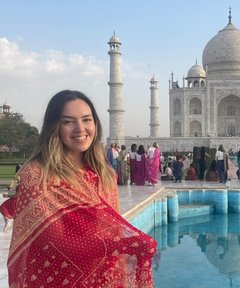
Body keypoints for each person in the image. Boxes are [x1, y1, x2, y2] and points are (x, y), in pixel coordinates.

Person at [7, 90, 157, 287]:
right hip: (58, 279)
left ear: (95, 123)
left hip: (104, 277)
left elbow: (111, 229)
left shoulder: (103, 173)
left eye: (87, 119)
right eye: (68, 121)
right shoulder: (38, 175)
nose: (80, 128)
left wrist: (119, 248)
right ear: (54, 127)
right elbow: (56, 243)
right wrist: (129, 244)